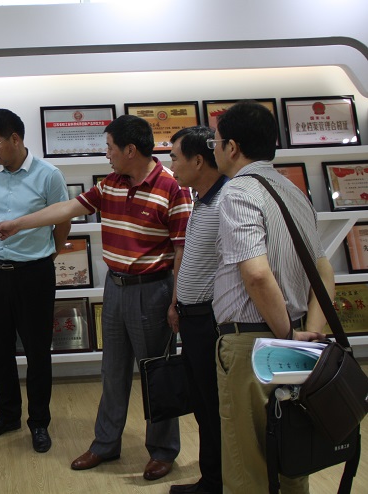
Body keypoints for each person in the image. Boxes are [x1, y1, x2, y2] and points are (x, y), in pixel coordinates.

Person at [0, 114, 192, 480]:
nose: (106, 154)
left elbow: (182, 251)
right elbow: (67, 209)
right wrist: (17, 224)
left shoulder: (171, 187)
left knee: (155, 373)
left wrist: (177, 301)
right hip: (116, 287)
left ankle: (163, 451)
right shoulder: (110, 183)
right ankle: (105, 443)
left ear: (130, 150)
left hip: (153, 291)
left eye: (110, 147)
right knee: (112, 371)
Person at [210, 101, 332, 493]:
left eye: (216, 142)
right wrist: (306, 336)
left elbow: (257, 274)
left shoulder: (237, 191)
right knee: (291, 453)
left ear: (231, 147)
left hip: (253, 342)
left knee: (248, 463)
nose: (215, 149)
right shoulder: (294, 191)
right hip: (295, 334)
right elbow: (324, 272)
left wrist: (286, 336)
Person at [0, 109, 71, 454]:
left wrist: (49, 254)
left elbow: (63, 220)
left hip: (34, 274)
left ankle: (39, 422)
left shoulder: (49, 175)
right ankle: (8, 415)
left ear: (15, 138)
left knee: (37, 351)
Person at [168, 126, 227, 494]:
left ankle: (218, 483)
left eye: (175, 157)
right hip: (192, 319)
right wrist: (177, 302)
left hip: (212, 321)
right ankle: (212, 479)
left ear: (199, 160)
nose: (171, 165)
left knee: (215, 406)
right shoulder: (201, 200)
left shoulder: (226, 203)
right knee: (203, 405)